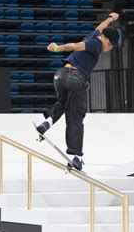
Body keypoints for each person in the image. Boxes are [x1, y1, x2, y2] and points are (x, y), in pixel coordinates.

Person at [36, 13, 120, 171]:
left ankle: (46, 123)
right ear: (105, 39)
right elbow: (75, 46)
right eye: (111, 45)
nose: (111, 48)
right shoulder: (95, 44)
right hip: (75, 78)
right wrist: (57, 48)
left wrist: (111, 18)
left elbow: (100, 27)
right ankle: (77, 157)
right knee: (75, 116)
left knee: (63, 103)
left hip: (60, 76)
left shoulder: (95, 35)